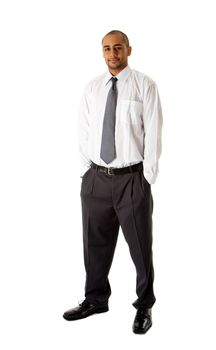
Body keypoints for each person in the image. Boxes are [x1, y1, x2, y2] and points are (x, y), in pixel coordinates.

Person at [63, 30, 163, 334]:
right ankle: (95, 299)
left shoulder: (144, 85)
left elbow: (154, 132)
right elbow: (83, 128)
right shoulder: (93, 88)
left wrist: (147, 177)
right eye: (106, 49)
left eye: (117, 48)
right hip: (96, 180)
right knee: (94, 244)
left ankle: (144, 305)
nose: (112, 54)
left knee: (140, 247)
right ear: (102, 52)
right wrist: (86, 171)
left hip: (131, 179)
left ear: (128, 50)